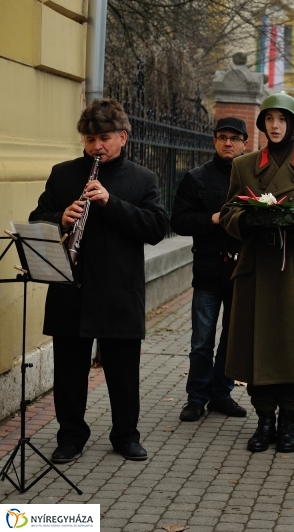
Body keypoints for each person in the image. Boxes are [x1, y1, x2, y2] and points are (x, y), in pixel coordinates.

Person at [29, 98, 170, 462]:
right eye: (90, 139)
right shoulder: (63, 174)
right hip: (70, 290)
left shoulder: (142, 178)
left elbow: (157, 228)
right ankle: (70, 436)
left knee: (123, 374)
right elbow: (37, 218)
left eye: (104, 138)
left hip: (118, 292)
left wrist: (111, 203)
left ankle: (126, 436)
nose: (96, 146)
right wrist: (60, 217)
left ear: (123, 137)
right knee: (69, 374)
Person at [219, 94, 294, 453]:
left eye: (282, 119)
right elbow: (228, 212)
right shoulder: (244, 166)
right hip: (257, 269)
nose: (275, 125)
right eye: (269, 119)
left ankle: (287, 421)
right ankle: (264, 420)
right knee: (259, 348)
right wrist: (246, 221)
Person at [171, 117, 249, 422]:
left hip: (241, 271)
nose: (228, 143)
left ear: (244, 143)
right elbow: (178, 221)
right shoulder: (196, 178)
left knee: (231, 340)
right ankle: (196, 398)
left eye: (234, 138)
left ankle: (221, 395)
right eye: (222, 137)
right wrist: (211, 219)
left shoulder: (252, 177)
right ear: (215, 141)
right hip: (207, 272)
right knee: (201, 341)